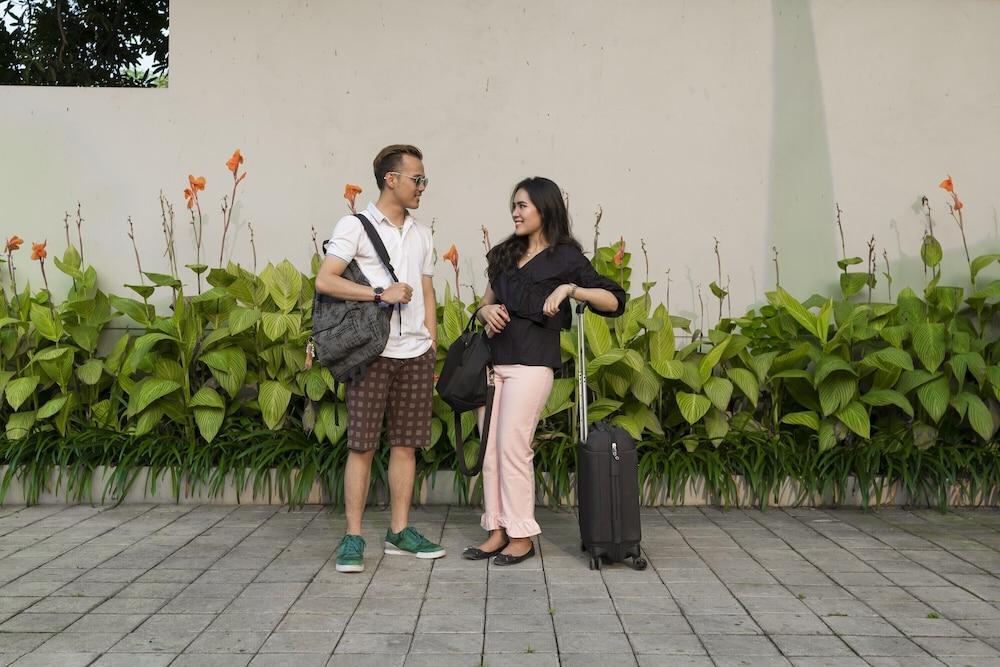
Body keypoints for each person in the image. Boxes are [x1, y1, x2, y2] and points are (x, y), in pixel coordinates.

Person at [461, 176, 626, 566]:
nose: (515, 212)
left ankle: (521, 535)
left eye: (523, 206)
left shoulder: (566, 258)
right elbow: (485, 303)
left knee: (514, 449)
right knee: (489, 452)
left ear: (544, 209)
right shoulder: (503, 254)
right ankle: (496, 530)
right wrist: (484, 310)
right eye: (514, 205)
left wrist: (571, 290)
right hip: (491, 365)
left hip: (531, 366)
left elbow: (613, 299)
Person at [315, 144, 445, 573]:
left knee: (406, 446)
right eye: (417, 179)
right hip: (372, 351)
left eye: (423, 179)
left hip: (415, 354)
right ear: (392, 179)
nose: (423, 186)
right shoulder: (354, 226)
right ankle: (353, 537)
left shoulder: (423, 233)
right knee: (363, 446)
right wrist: (377, 293)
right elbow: (325, 280)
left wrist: (431, 340)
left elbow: (426, 289)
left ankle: (399, 532)